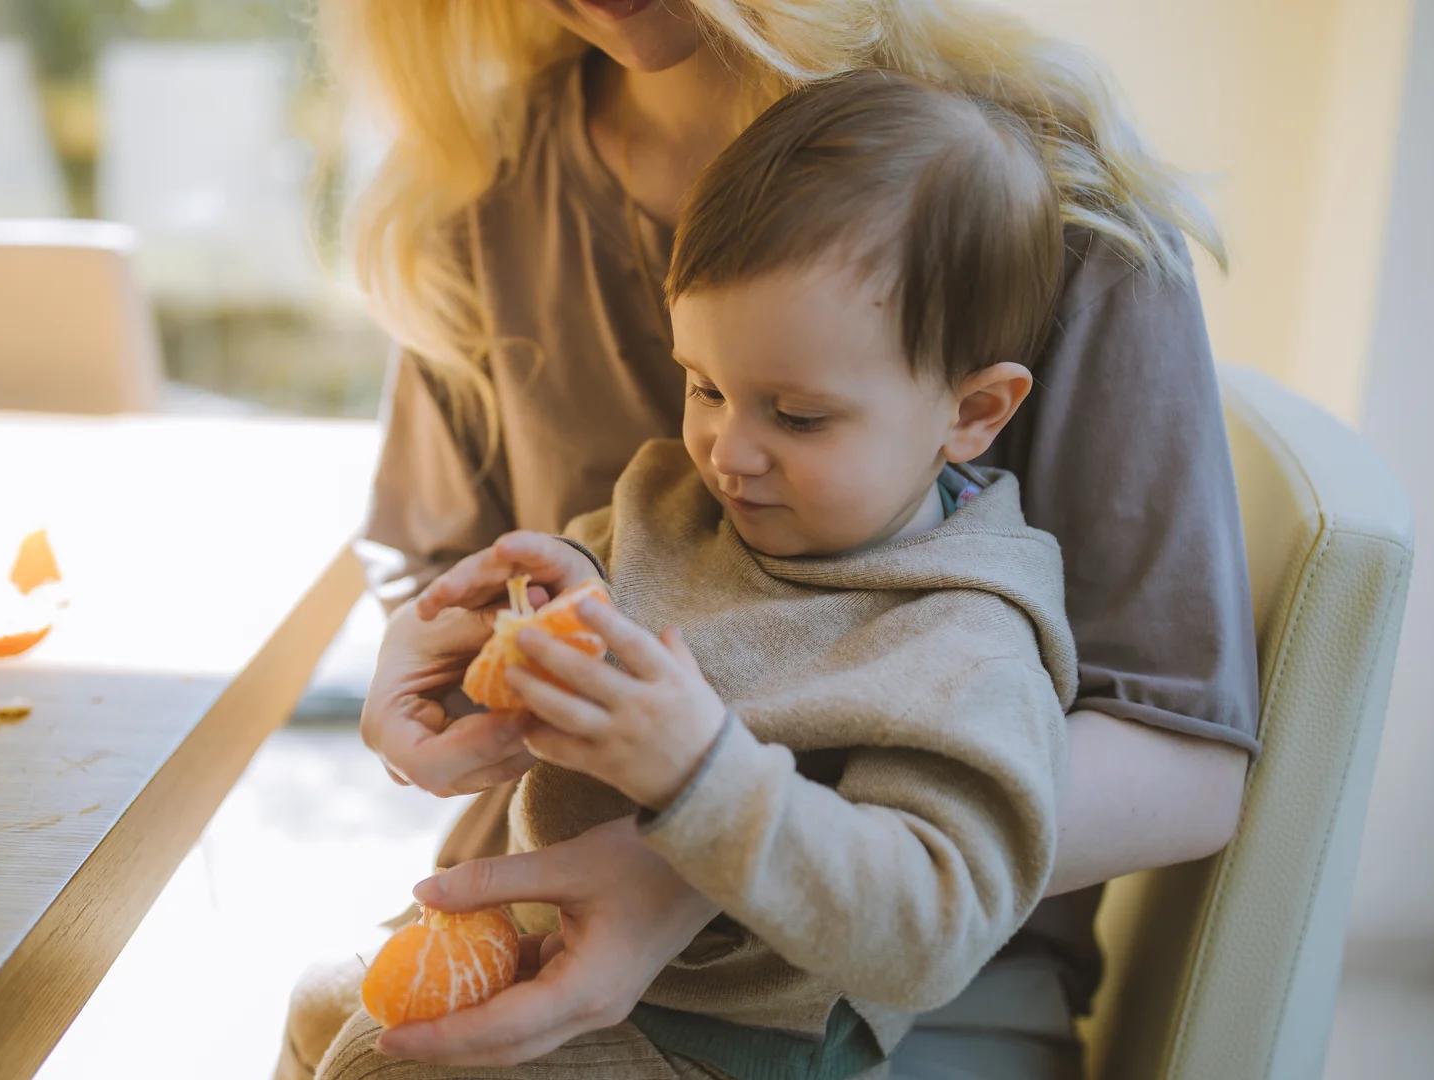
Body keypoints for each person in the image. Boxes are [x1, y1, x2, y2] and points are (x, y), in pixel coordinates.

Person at [282, 2, 1257, 1077]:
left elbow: (1163, 771)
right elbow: (502, 575)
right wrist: (472, 654)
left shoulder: (960, 623)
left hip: (801, 1006)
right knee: (326, 1014)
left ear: (976, 413)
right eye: (699, 387)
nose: (725, 456)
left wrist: (702, 851)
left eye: (797, 414)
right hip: (536, 909)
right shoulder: (485, 190)